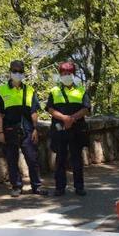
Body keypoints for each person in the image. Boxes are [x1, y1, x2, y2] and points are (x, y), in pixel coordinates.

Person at [0, 60, 47, 197]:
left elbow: (34, 112)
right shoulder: (2, 90)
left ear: (23, 73)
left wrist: (35, 129)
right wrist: (0, 131)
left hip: (27, 130)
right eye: (14, 71)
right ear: (10, 72)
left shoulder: (29, 90)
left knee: (32, 159)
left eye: (20, 71)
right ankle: (16, 186)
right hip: (9, 130)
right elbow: (0, 114)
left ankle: (36, 186)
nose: (17, 74)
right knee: (11, 160)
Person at [46, 61, 91, 196]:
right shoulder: (54, 91)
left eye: (69, 73)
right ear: (60, 75)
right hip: (60, 130)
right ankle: (60, 187)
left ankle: (79, 187)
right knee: (60, 159)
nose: (66, 76)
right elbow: (50, 109)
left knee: (77, 159)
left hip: (76, 130)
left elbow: (86, 109)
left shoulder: (81, 90)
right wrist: (64, 118)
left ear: (73, 75)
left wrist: (72, 119)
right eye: (64, 73)